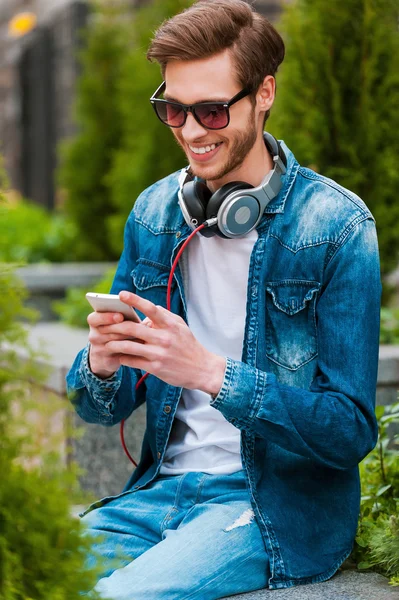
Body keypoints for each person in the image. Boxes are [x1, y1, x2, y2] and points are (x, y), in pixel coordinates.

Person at [66, 1, 382, 598]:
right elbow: (96, 408)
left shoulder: (336, 227)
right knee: (29, 572)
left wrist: (211, 374)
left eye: (212, 110)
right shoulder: (157, 214)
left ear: (264, 94)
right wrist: (102, 365)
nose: (190, 131)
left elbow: (349, 432)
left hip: (267, 509)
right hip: (157, 494)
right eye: (174, 109)